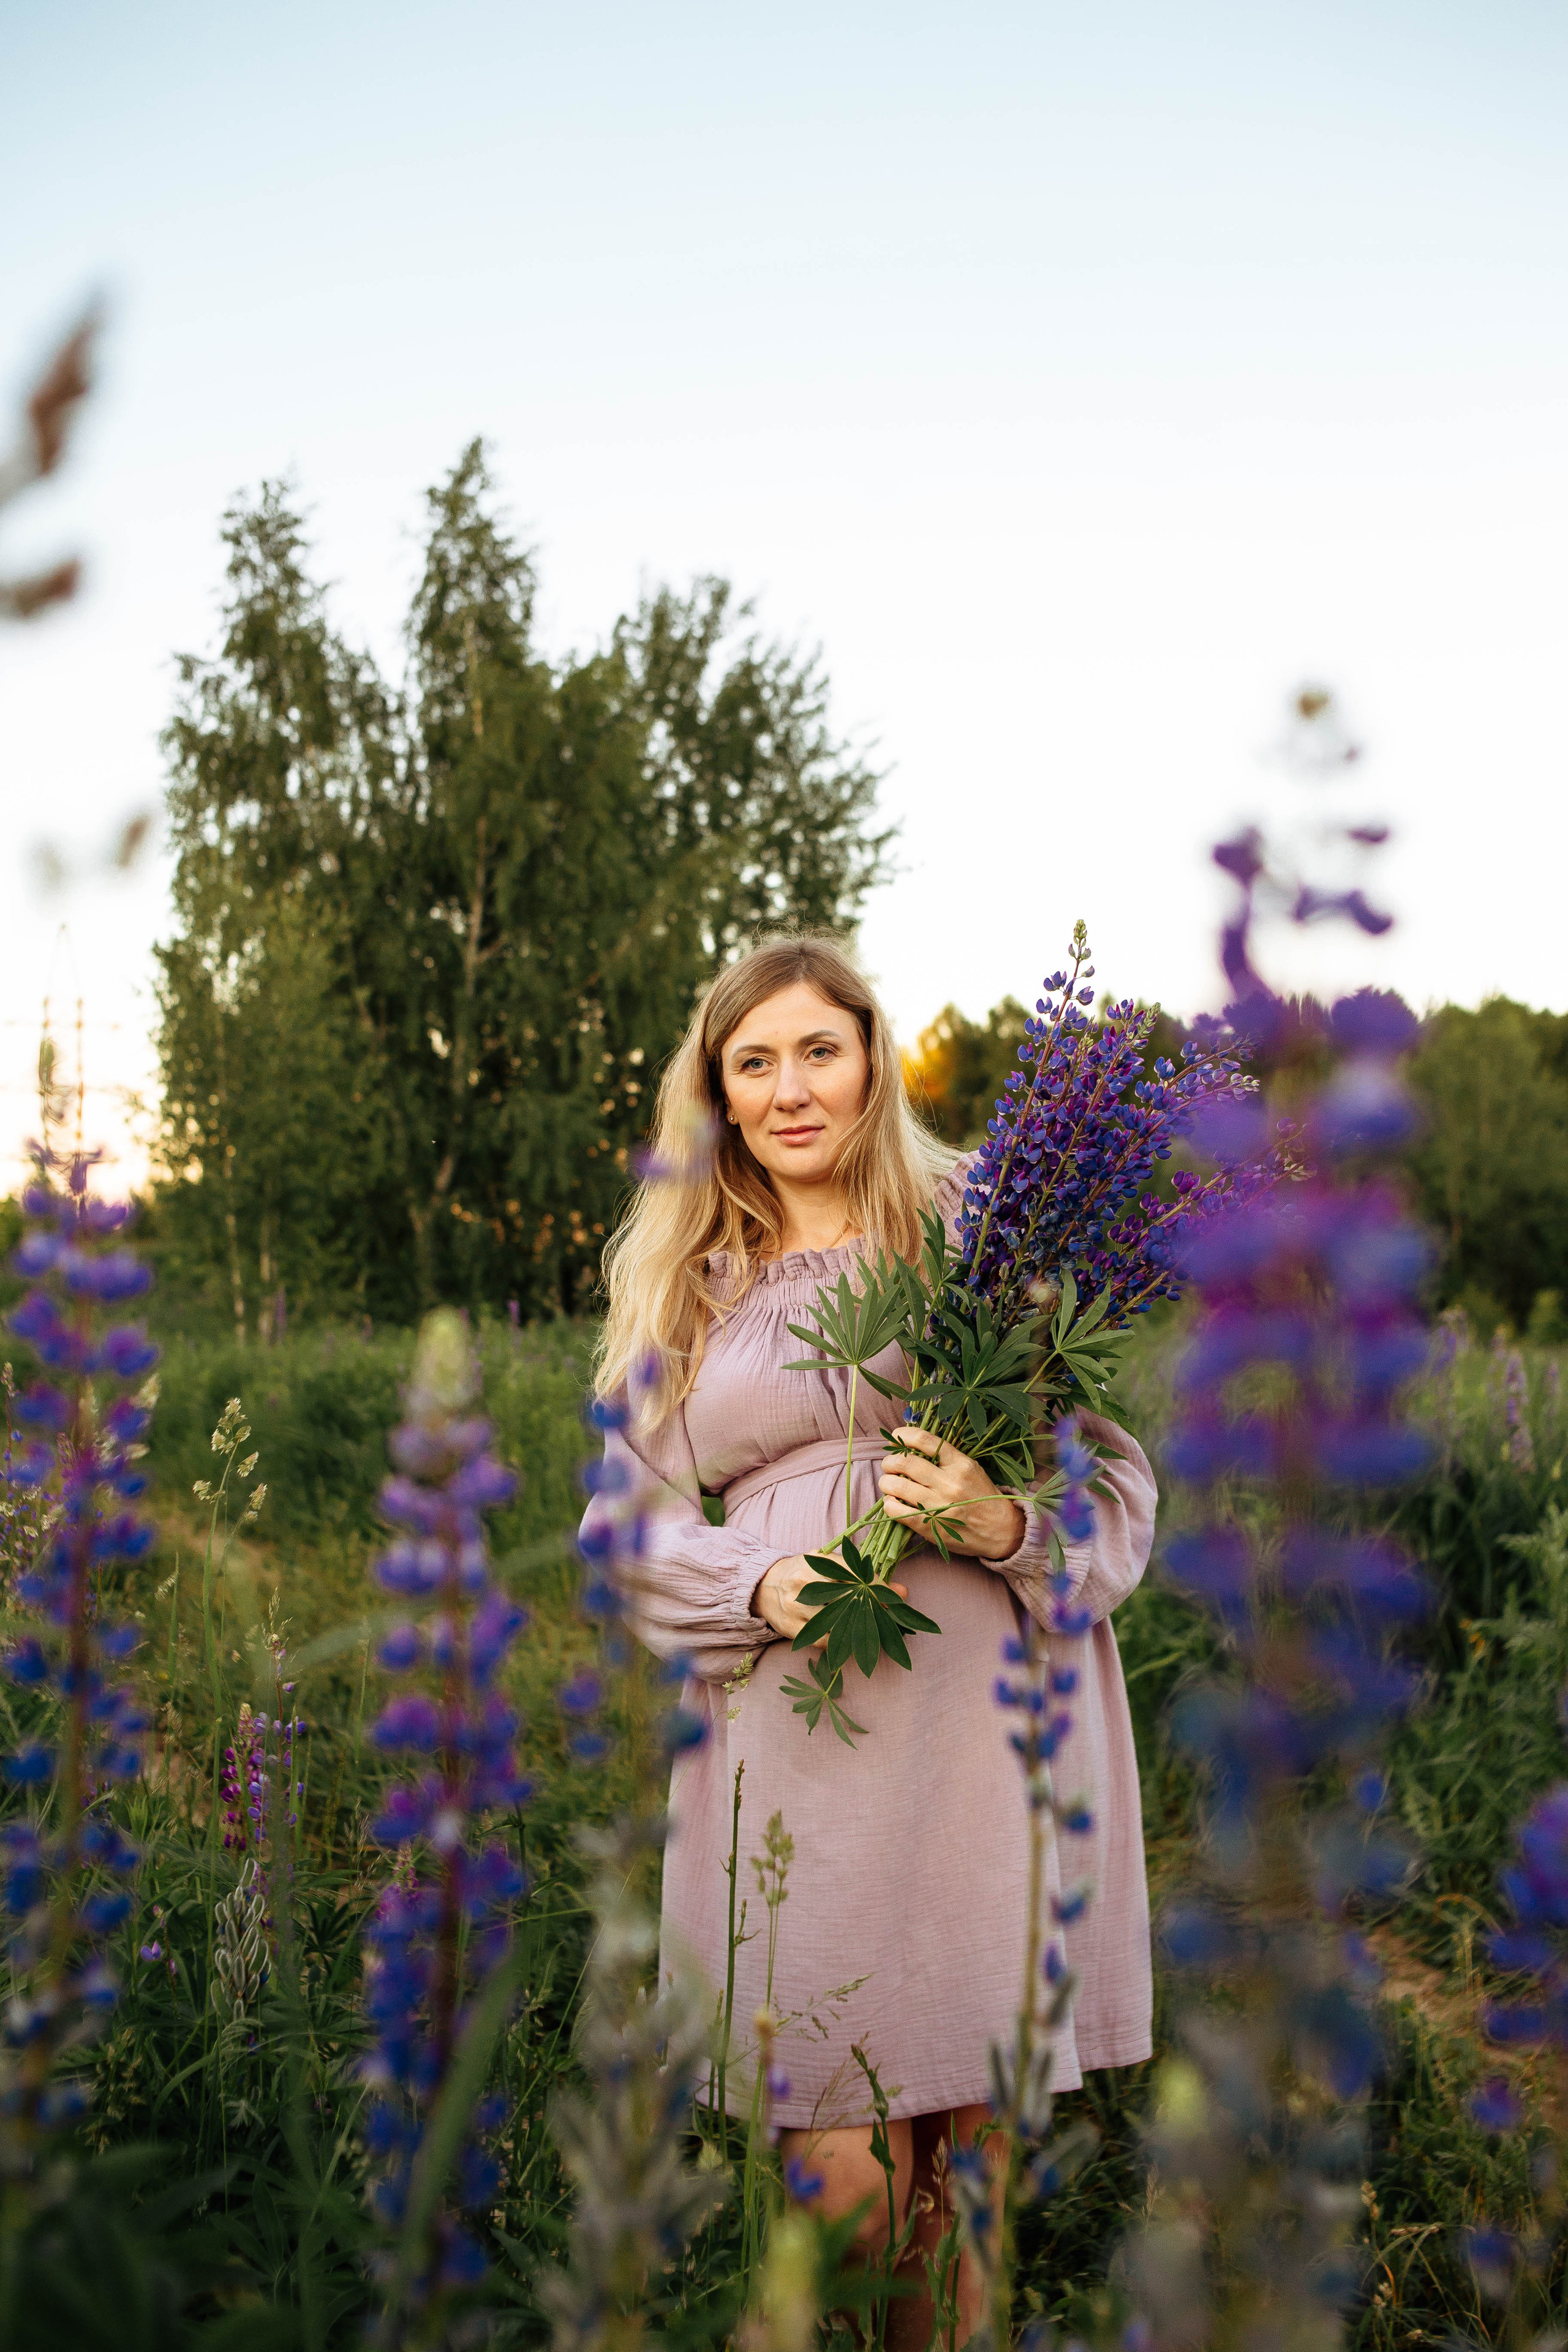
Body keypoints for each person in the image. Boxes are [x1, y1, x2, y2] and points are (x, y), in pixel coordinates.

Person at [580, 934, 1156, 2343]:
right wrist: (764, 1589)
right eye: (752, 1063)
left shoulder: (981, 1230)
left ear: (871, 1059)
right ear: (716, 1093)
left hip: (987, 1721)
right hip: (792, 1732)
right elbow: (623, 1531)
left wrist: (994, 1516)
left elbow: (1116, 1491)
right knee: (836, 2160)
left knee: (968, 2162)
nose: (788, 1091)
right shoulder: (685, 1282)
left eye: (815, 1052)